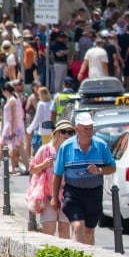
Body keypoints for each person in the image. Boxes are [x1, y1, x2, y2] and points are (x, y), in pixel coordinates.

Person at [51, 111, 116, 245]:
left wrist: (99, 170)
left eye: (90, 128)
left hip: (94, 193)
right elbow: (57, 174)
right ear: (76, 129)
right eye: (85, 128)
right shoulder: (66, 147)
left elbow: (112, 167)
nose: (88, 131)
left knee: (89, 231)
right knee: (78, 226)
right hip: (73, 193)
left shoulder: (101, 146)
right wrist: (54, 197)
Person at [26, 119, 74, 238]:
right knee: (48, 232)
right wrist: (44, 165)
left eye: (70, 132)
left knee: (64, 233)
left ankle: (64, 256)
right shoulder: (45, 149)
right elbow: (32, 169)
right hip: (48, 196)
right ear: (56, 133)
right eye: (64, 132)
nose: (67, 135)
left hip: (67, 197)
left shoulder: (73, 150)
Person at [0, 82, 29, 174]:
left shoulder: (12, 100)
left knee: (3, 146)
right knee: (18, 148)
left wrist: (12, 131)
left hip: (11, 127)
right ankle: (23, 167)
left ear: (6, 91)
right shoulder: (16, 98)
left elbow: (12, 116)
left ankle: (20, 166)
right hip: (17, 126)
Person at [26, 87, 54, 156]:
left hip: (44, 130)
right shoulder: (52, 102)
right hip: (52, 130)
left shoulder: (41, 104)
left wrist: (29, 129)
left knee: (45, 150)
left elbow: (37, 118)